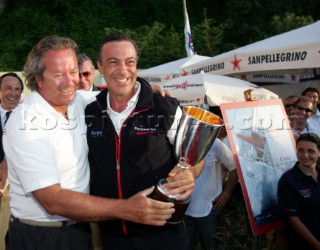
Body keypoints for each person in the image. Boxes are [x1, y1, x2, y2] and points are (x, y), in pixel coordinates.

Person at [3, 35, 176, 250]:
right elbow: (52, 200)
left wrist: (148, 90)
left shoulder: (78, 101)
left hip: (79, 231)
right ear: (38, 78)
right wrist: (126, 209)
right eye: (58, 74)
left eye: (73, 71)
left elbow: (120, 90)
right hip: (40, 236)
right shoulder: (26, 121)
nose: (69, 82)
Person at [85, 33, 203, 250]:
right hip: (112, 237)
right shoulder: (89, 111)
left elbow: (196, 154)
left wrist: (190, 173)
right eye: (113, 62)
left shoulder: (164, 107)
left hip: (164, 235)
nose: (123, 70)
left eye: (129, 62)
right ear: (99, 68)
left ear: (136, 65)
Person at [184, 138, 238, 250]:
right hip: (184, 211)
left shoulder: (215, 143)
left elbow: (234, 167)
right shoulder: (180, 141)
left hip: (210, 210)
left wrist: (226, 194)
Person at [277, 132, 320, 250]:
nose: (305, 155)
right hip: (304, 245)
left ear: (319, 152)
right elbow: (294, 220)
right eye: (300, 150)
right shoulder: (288, 180)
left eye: (310, 151)